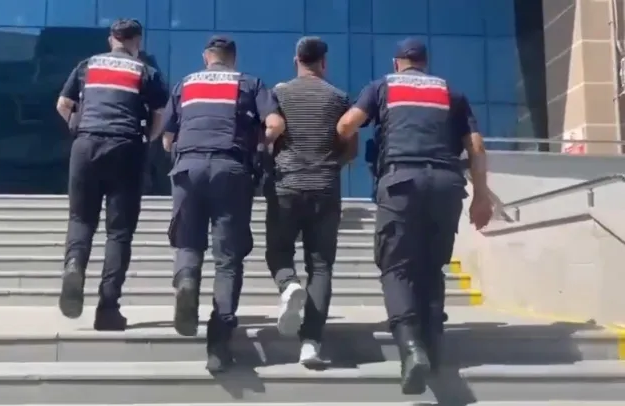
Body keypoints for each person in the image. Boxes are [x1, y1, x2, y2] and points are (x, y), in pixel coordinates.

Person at [336, 37, 493, 394]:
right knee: (431, 267)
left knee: (397, 267)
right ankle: (433, 345)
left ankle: (410, 348)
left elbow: (346, 125)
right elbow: (476, 146)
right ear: (425, 62)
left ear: (397, 63)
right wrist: (481, 196)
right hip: (446, 185)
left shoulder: (382, 87)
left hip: (401, 182)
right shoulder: (450, 92)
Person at [159, 35, 286, 373]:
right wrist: (257, 144)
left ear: (207, 57)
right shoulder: (250, 83)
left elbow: (167, 139)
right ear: (233, 58)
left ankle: (187, 282)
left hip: (187, 168)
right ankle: (218, 345)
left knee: (188, 243)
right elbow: (275, 124)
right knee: (228, 260)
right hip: (231, 170)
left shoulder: (186, 84)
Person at [55, 19, 168, 331]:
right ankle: (107, 309)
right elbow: (160, 114)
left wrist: (78, 126)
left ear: (111, 40)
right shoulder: (145, 70)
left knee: (81, 220)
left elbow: (63, 104)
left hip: (85, 145)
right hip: (125, 146)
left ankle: (74, 266)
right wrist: (147, 139)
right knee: (118, 232)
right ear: (137, 42)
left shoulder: (88, 65)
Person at [265, 37, 356, 366]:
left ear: (296, 61)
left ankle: (288, 284)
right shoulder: (339, 98)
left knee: (278, 252)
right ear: (324, 63)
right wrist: (330, 166)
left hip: (286, 186)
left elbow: (269, 135)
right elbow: (351, 148)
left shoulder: (278, 94)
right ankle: (311, 343)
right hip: (325, 189)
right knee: (320, 266)